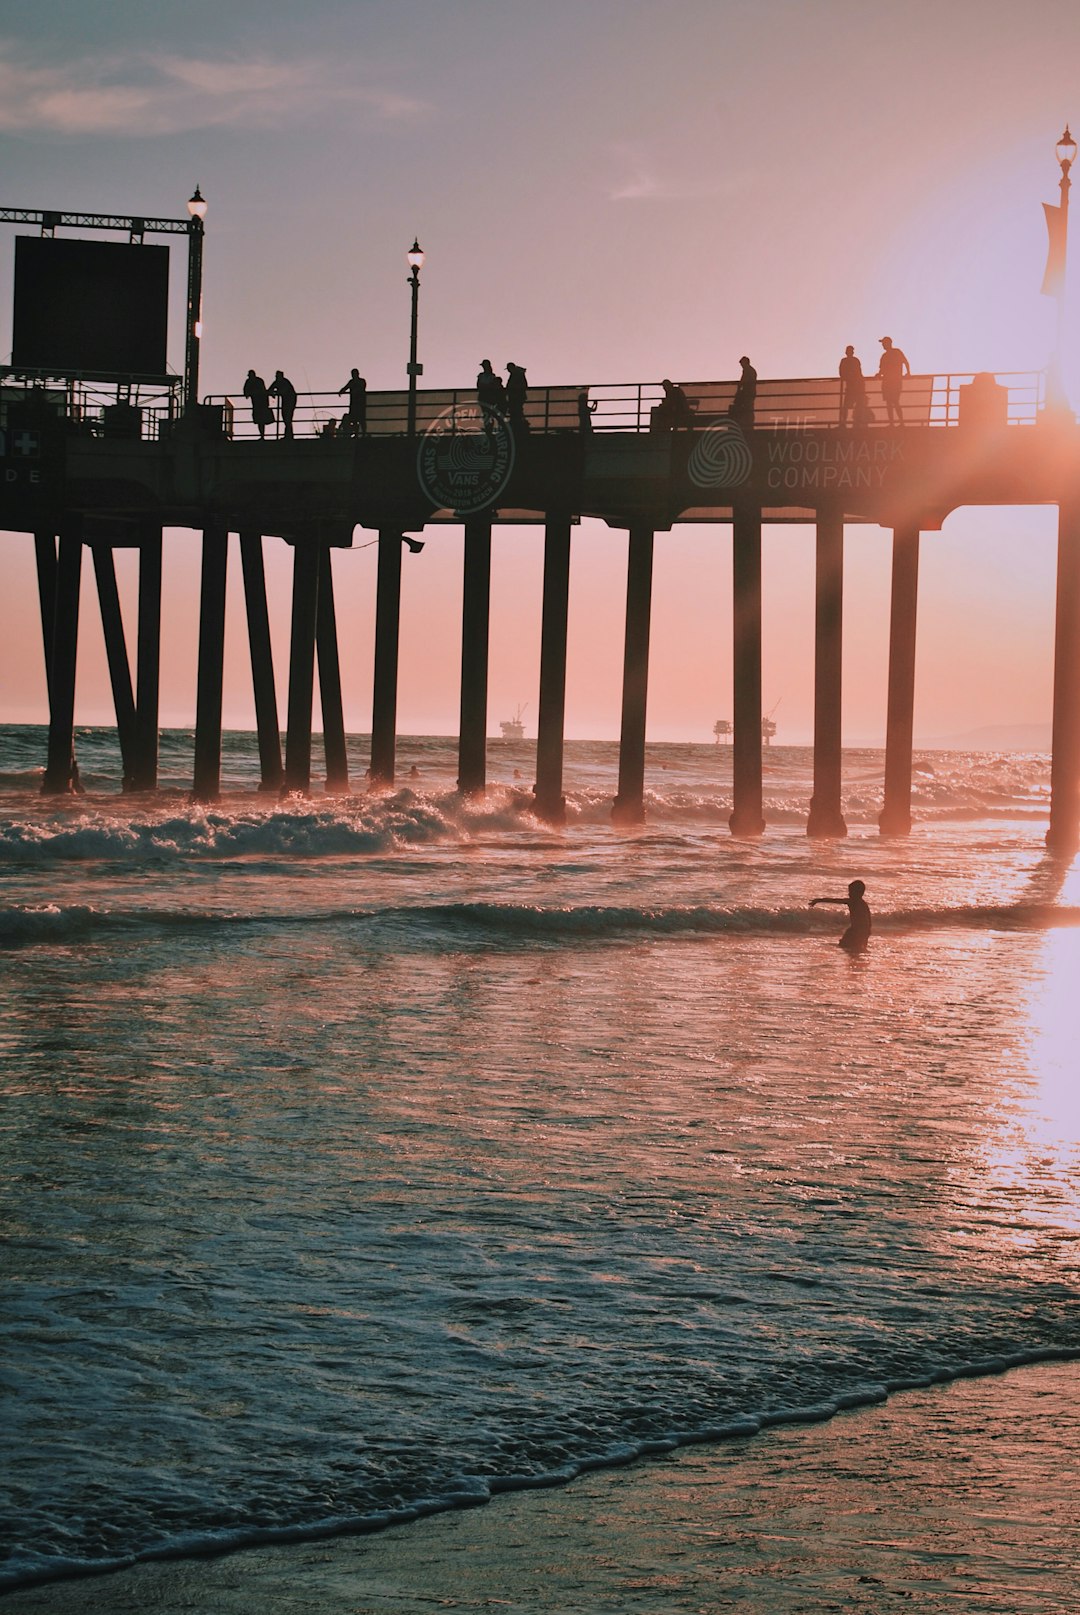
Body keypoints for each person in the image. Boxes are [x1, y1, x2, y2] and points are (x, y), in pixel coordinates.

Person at [809, 879, 872, 952]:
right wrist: (868, 932)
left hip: (856, 931)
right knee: (856, 949)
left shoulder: (852, 901)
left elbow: (835, 901)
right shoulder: (863, 904)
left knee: (846, 946)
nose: (849, 894)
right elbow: (869, 919)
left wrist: (819, 900)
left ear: (857, 893)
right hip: (861, 930)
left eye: (850, 892)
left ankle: (855, 960)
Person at [877, 337, 910, 426]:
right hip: (890, 382)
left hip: (893, 382)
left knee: (893, 401)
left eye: (884, 343)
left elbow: (905, 362)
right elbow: (882, 370)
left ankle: (898, 422)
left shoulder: (895, 352)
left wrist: (908, 373)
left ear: (889, 343)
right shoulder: (889, 354)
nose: (883, 345)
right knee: (890, 402)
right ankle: (895, 422)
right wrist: (908, 373)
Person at [838, 345, 867, 426]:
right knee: (848, 406)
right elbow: (842, 373)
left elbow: (857, 373)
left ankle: (848, 422)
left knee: (851, 406)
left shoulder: (850, 361)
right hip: (853, 387)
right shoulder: (852, 361)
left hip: (855, 387)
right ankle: (848, 422)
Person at [243, 369, 273, 439]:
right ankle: (262, 435)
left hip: (260, 403)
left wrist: (250, 393)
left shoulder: (255, 381)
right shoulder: (256, 381)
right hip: (258, 404)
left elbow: (247, 392)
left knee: (261, 420)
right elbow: (246, 391)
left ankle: (262, 435)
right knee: (260, 420)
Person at [268, 370, 298, 439]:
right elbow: (270, 389)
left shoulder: (285, 382)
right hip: (285, 401)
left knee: (287, 417)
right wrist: (273, 393)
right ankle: (288, 435)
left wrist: (275, 393)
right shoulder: (277, 382)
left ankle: (289, 435)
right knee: (286, 417)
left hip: (290, 400)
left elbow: (284, 391)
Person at [338, 369, 367, 436]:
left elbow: (361, 388)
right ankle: (358, 434)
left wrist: (342, 391)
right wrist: (341, 391)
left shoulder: (361, 381)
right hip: (355, 404)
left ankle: (363, 433)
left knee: (361, 419)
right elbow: (345, 388)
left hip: (359, 404)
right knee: (355, 420)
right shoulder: (354, 382)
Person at [730, 355, 757, 426]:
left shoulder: (748, 370)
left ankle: (746, 422)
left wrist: (739, 389)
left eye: (742, 363)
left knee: (747, 407)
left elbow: (744, 381)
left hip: (748, 393)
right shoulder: (750, 370)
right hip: (749, 393)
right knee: (749, 407)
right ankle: (748, 421)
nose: (741, 365)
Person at [505, 362, 528, 430]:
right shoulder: (518, 373)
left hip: (516, 397)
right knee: (517, 411)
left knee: (516, 411)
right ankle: (518, 424)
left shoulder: (516, 374)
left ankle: (517, 425)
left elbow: (518, 386)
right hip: (517, 396)